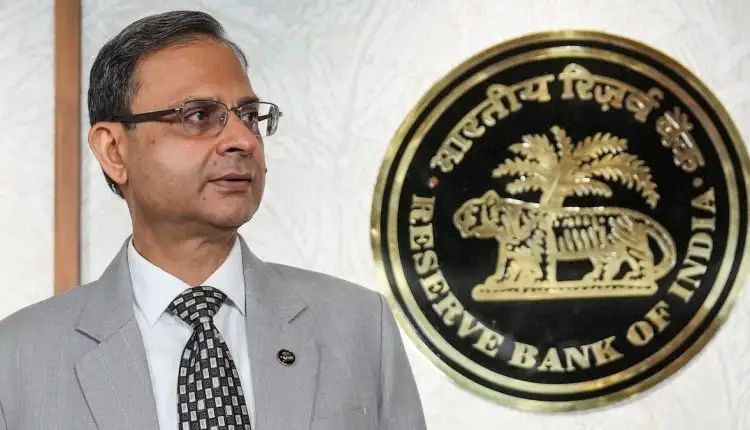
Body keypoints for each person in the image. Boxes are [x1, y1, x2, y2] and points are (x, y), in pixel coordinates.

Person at [0, 10, 426, 430]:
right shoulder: (17, 357)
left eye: (249, 116)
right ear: (114, 150)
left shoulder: (359, 325)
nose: (242, 140)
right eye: (199, 116)